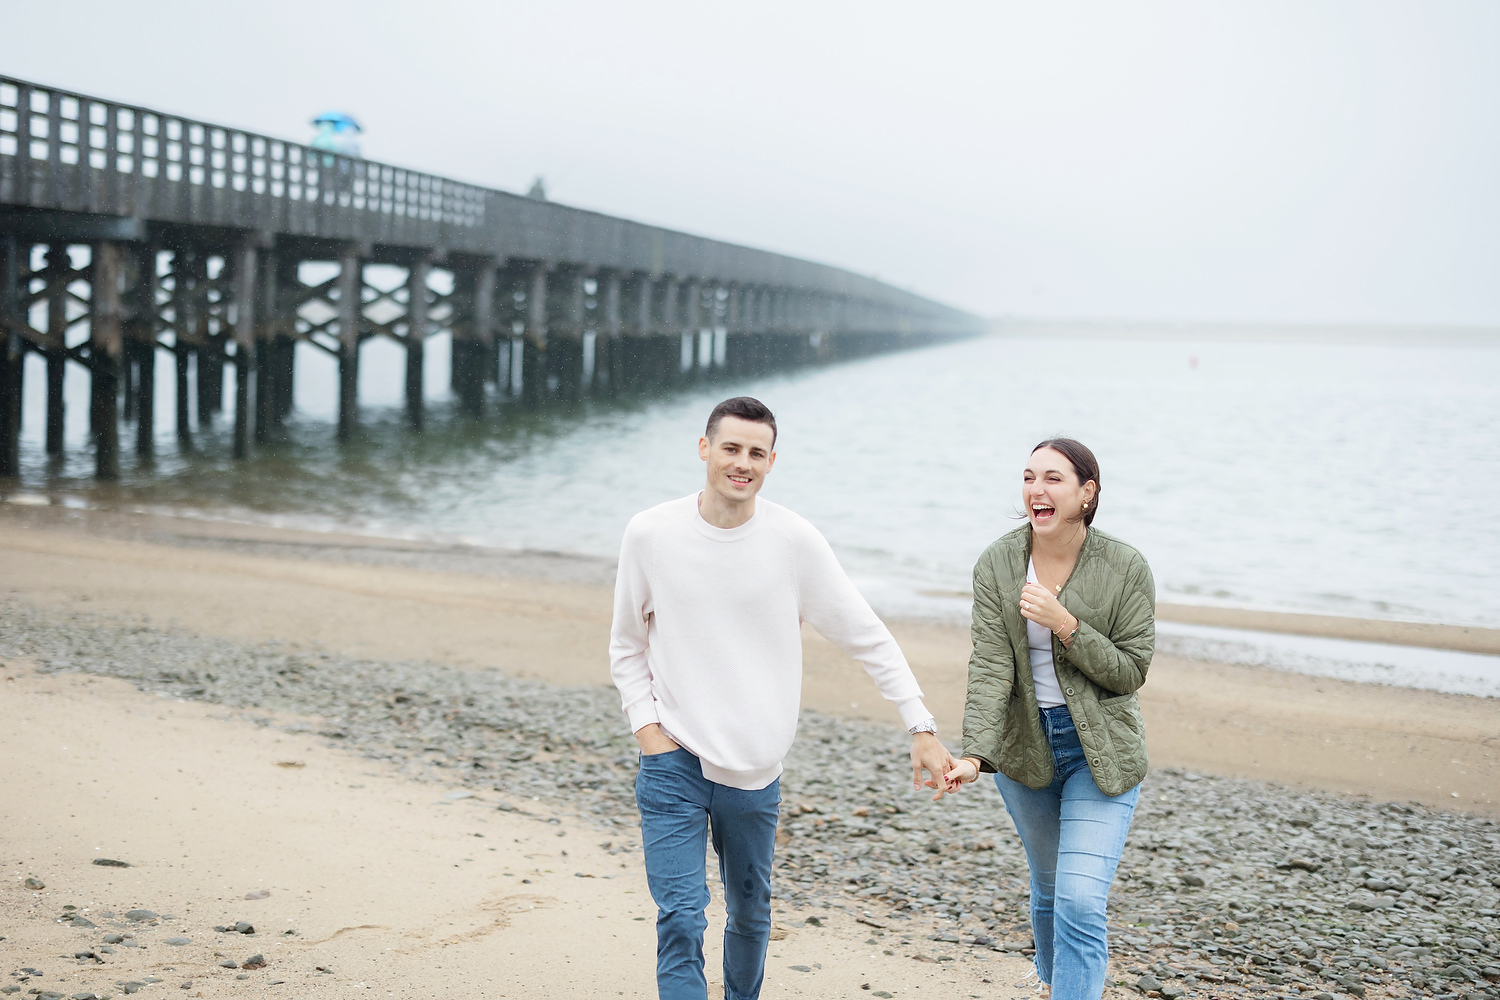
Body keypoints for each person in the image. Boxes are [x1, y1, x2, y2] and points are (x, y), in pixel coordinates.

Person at [610, 396, 954, 1000]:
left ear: (771, 462)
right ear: (704, 449)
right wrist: (650, 733)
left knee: (750, 916)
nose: (741, 463)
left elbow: (866, 635)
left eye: (756, 453)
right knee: (682, 917)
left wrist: (920, 725)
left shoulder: (793, 541)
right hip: (673, 763)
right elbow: (626, 645)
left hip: (755, 771)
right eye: (730, 448)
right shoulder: (651, 533)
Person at [943, 438, 1154, 1000]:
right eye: (1030, 476)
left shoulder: (1125, 566)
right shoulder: (998, 562)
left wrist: (1067, 625)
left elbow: (1131, 670)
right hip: (1024, 749)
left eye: (1054, 478)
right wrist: (973, 754)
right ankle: (1051, 982)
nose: (1038, 489)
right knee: (1049, 883)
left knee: (1080, 897)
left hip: (1100, 752)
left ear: (1087, 493)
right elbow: (990, 667)